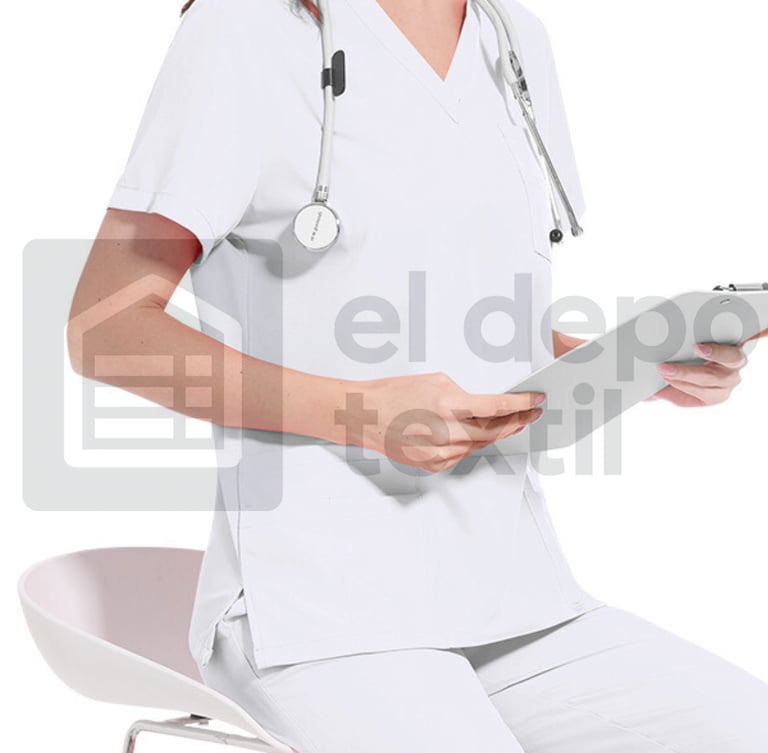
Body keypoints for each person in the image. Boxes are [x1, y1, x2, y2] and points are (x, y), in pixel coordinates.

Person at [67, 0, 768, 750]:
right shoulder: (245, 29)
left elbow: (475, 318)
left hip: (518, 602)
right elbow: (104, 329)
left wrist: (632, 363)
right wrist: (355, 412)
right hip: (319, 615)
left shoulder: (513, 38)